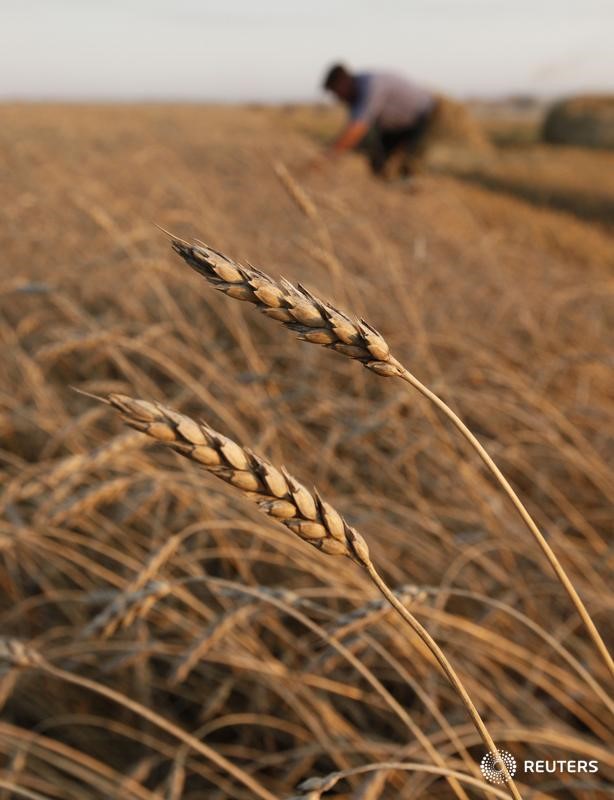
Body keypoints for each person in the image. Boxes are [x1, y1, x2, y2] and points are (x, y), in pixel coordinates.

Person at [319, 63, 438, 176]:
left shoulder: (371, 85)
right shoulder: (355, 96)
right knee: (378, 165)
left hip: (420, 117)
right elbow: (351, 128)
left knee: (410, 164)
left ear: (343, 83)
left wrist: (328, 157)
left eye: (336, 93)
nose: (337, 98)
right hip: (392, 127)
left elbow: (357, 129)